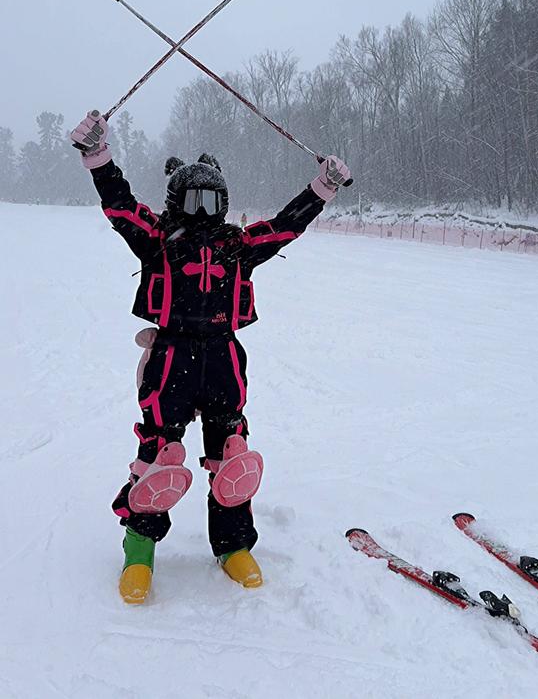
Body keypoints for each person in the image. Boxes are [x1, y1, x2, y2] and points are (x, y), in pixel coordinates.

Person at [70, 109, 350, 604]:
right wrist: (98, 155)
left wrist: (320, 189)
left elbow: (285, 227)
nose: (203, 210)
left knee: (231, 455)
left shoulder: (237, 247)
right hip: (171, 357)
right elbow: (120, 205)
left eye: (212, 200)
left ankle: (234, 545)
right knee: (158, 454)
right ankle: (139, 552)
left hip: (223, 358)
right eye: (194, 200)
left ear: (223, 202)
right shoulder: (157, 240)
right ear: (178, 200)